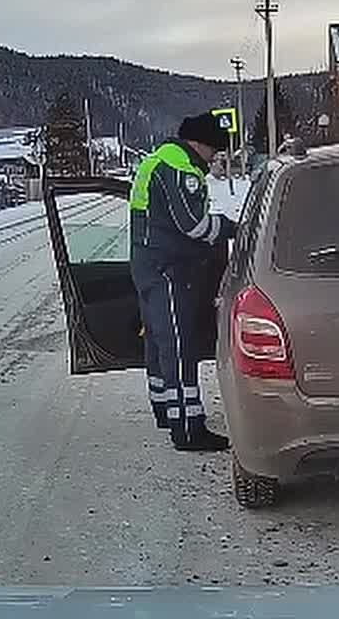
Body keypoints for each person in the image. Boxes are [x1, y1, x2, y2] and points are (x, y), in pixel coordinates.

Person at [129, 113, 236, 452]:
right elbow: (194, 226)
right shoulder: (180, 170)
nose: (214, 158)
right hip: (169, 268)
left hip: (149, 264)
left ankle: (164, 408)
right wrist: (231, 227)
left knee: (159, 343)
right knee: (178, 344)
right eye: (214, 150)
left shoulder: (159, 159)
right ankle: (188, 427)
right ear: (200, 143)